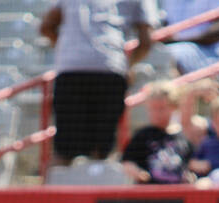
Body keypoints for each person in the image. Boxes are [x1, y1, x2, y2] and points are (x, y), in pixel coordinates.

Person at [39, 0, 159, 166]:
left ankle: (55, 190)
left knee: (64, 151)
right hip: (110, 68)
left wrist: (68, 50)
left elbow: (46, 26)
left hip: (71, 69)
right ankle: (102, 188)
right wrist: (129, 65)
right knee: (103, 151)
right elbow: (146, 40)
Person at [121, 80, 194, 185]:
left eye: (161, 108)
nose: (157, 113)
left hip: (177, 195)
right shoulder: (143, 136)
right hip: (150, 195)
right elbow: (127, 162)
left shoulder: (181, 139)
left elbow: (189, 164)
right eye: (153, 109)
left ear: (173, 107)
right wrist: (139, 173)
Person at [161, 0, 219, 92]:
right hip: (177, 48)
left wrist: (179, 40)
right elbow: (163, 25)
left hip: (214, 52)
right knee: (158, 54)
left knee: (170, 55)